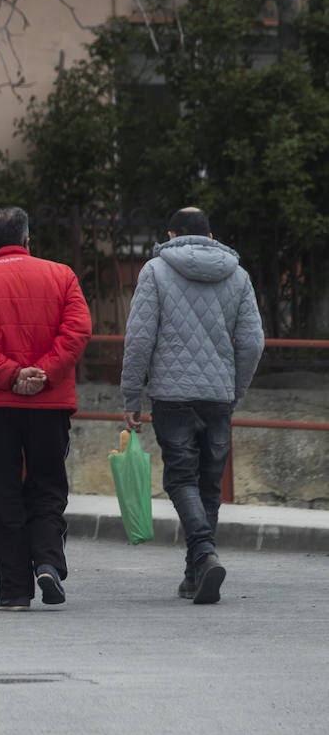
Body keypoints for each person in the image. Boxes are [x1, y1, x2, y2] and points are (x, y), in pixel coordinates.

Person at [0, 207, 92, 611]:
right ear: (28, 239)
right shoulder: (63, 277)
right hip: (49, 404)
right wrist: (42, 374)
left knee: (2, 493)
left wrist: (11, 376)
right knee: (47, 485)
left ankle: (13, 590)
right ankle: (47, 559)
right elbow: (77, 330)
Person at [121, 207, 264, 605]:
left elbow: (139, 339)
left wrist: (132, 395)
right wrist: (235, 388)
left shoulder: (155, 271)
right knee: (208, 486)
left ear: (171, 234)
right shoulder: (238, 275)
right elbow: (253, 342)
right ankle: (195, 574)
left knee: (181, 480)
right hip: (218, 396)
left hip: (172, 395)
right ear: (211, 234)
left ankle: (202, 553)